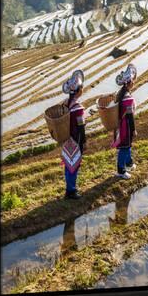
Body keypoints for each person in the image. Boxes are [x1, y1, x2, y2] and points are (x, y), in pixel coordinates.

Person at [61, 70, 86, 199]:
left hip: (66, 139)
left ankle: (69, 189)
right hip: (76, 140)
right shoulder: (78, 108)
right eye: (82, 88)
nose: (82, 90)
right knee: (74, 165)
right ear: (78, 91)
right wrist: (83, 143)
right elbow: (81, 127)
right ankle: (71, 191)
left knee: (68, 163)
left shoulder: (66, 103)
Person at [112, 63, 137, 179]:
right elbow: (130, 116)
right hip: (125, 126)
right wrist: (133, 129)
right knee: (124, 148)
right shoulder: (127, 97)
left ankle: (128, 163)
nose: (133, 82)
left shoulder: (121, 94)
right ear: (128, 83)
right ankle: (121, 171)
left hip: (121, 125)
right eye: (132, 81)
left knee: (126, 146)